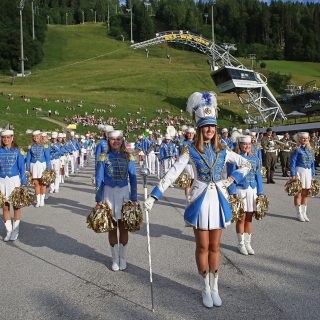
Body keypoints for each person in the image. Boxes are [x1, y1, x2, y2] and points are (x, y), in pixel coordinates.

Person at [144, 92, 251, 308]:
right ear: (200, 128)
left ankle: (215, 287)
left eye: (212, 126)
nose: (210, 130)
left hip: (218, 200)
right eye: (206, 126)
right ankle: (205, 287)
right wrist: (154, 196)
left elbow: (246, 163)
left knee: (216, 246)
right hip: (200, 201)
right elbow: (172, 173)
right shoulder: (190, 150)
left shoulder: (223, 150)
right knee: (202, 246)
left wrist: (231, 180)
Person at [95, 130, 137, 271]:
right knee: (112, 227)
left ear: (122, 140)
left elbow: (133, 179)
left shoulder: (128, 156)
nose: (116, 141)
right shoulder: (103, 157)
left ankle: (122, 258)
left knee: (123, 227)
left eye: (118, 139)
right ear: (108, 140)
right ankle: (114, 259)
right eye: (113, 139)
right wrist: (98, 199)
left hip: (124, 193)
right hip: (108, 193)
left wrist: (134, 198)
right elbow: (99, 180)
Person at [229, 136, 264, 255]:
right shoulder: (235, 159)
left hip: (252, 190)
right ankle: (241, 244)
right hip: (240, 191)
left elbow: (258, 176)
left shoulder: (255, 159)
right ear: (239, 145)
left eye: (248, 144)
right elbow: (231, 177)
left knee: (249, 218)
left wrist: (261, 192)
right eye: (244, 144)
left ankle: (248, 244)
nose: (246, 146)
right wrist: (232, 193)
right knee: (241, 218)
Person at [0, 130, 27, 241]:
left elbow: (22, 168)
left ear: (12, 138)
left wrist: (24, 183)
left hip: (14, 181)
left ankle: (15, 231)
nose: (6, 139)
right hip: (1, 181)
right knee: (5, 207)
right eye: (4, 137)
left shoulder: (17, 151)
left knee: (16, 206)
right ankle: (9, 231)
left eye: (8, 137)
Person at [290, 132, 315, 222]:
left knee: (306, 193)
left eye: (306, 138)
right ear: (299, 139)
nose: (305, 140)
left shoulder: (311, 150)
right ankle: (299, 213)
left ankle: (304, 213)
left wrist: (313, 175)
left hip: (308, 172)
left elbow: (312, 164)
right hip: (299, 172)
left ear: (308, 139)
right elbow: (292, 163)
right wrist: (293, 174)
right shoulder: (296, 150)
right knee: (298, 193)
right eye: (303, 138)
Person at [26, 131, 51, 207]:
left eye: (37, 136)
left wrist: (48, 167)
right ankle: (38, 200)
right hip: (33, 165)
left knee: (43, 183)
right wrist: (27, 168)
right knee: (36, 184)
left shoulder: (45, 146)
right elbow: (28, 158)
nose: (35, 137)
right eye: (34, 136)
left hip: (42, 165)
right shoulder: (30, 146)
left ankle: (42, 200)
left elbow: (47, 158)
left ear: (40, 137)